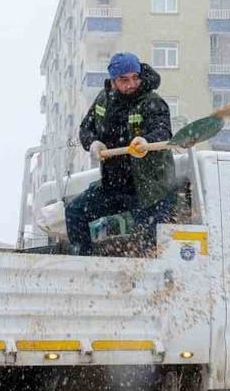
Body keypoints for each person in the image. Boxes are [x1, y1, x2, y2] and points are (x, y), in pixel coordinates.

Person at [65, 52, 176, 255]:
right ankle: (85, 262)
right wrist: (93, 143)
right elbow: (85, 129)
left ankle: (144, 270)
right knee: (75, 212)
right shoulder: (103, 100)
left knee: (147, 247)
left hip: (149, 190)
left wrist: (146, 141)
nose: (131, 84)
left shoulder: (151, 101)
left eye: (135, 77)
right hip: (114, 186)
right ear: (113, 81)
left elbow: (163, 131)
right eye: (124, 80)